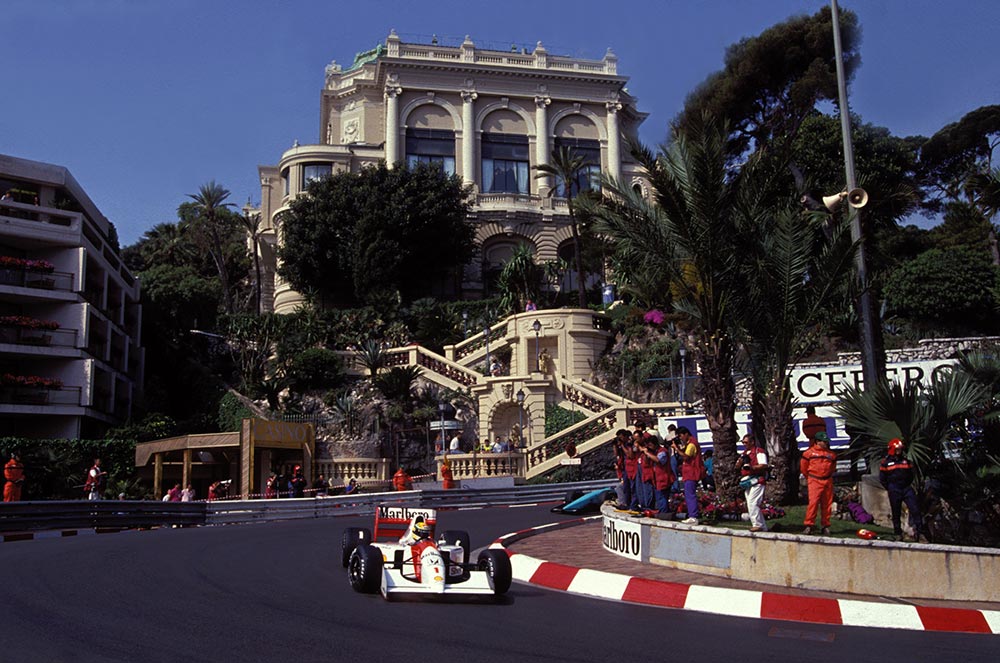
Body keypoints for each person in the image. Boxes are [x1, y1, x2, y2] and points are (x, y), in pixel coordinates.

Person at [879, 438, 924, 541]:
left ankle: (920, 532)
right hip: (894, 489)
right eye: (897, 449)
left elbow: (911, 475)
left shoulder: (906, 461)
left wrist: (907, 484)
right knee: (896, 512)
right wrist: (890, 488)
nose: (899, 451)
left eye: (900, 449)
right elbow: (882, 479)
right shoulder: (885, 462)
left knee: (915, 509)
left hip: (906, 488)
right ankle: (898, 533)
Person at [800, 431, 837, 535]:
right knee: (813, 503)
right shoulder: (808, 453)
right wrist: (809, 478)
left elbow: (833, 467)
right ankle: (809, 525)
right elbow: (803, 468)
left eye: (826, 442)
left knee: (827, 504)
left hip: (827, 480)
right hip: (814, 480)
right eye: (824, 442)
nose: (826, 443)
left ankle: (825, 525)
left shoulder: (831, 454)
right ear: (818, 441)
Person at [738, 434, 769, 532]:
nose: (744, 444)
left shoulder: (758, 451)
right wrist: (739, 463)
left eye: (746, 442)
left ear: (752, 442)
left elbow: (763, 465)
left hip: (757, 480)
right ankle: (763, 527)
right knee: (749, 503)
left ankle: (757, 524)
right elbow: (738, 466)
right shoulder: (744, 453)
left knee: (753, 503)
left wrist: (752, 467)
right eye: (743, 442)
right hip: (747, 481)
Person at [675, 427, 704, 524]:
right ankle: (692, 514)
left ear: (686, 434)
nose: (681, 438)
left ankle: (693, 516)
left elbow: (686, 456)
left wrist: (676, 449)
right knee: (688, 495)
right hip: (688, 473)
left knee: (690, 495)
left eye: (681, 436)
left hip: (691, 473)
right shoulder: (689, 444)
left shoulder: (691, 444)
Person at [641, 437, 675, 514]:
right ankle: (663, 511)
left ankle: (664, 513)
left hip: (664, 478)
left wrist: (647, 453)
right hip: (657, 479)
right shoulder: (654, 452)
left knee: (662, 497)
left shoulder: (662, 452)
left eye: (650, 445)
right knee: (659, 497)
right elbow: (646, 462)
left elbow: (658, 460)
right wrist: (646, 454)